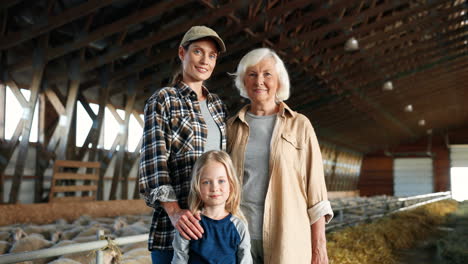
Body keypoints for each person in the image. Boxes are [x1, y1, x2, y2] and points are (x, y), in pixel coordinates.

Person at [227, 48, 334, 264]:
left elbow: (316, 192)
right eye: (252, 74)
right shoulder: (231, 127)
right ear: (243, 82)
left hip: (287, 237)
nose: (259, 81)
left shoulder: (299, 125)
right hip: (238, 236)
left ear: (279, 81)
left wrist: (319, 246)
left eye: (267, 74)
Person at [139, 25, 228, 264]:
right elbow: (153, 163)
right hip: (175, 230)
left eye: (212, 56)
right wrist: (175, 212)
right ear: (182, 53)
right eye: (198, 51)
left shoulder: (217, 106)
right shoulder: (164, 99)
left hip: (213, 232)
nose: (205, 61)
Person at [172, 150, 252, 264]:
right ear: (197, 186)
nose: (214, 188)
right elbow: (179, 258)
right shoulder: (190, 223)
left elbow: (245, 260)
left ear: (231, 184)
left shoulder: (239, 226)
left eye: (221, 181)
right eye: (206, 182)